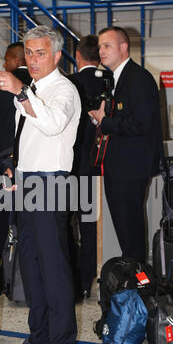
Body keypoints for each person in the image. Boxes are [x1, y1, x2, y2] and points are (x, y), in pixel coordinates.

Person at [0, 25, 81, 344]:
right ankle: (41, 337)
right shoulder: (32, 89)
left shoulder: (64, 89)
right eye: (28, 52)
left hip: (52, 183)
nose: (32, 59)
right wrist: (17, 169)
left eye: (40, 52)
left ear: (57, 56)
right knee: (30, 263)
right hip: (29, 181)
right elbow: (29, 137)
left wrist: (21, 94)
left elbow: (53, 125)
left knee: (54, 267)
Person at [89, 27, 164, 263]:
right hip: (119, 166)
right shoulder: (116, 79)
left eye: (107, 46)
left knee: (130, 229)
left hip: (131, 167)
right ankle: (132, 275)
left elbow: (141, 124)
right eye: (100, 46)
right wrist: (100, 119)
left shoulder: (138, 78)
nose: (101, 51)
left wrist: (106, 122)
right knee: (125, 228)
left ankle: (138, 281)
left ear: (123, 48)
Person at [0, 42, 31, 258]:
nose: (4, 63)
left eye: (7, 58)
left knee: (0, 210)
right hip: (30, 156)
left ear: (17, 59)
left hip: (3, 155)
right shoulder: (38, 81)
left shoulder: (0, 83)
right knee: (29, 211)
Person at [68, 35, 103, 300]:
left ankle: (70, 278)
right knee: (88, 225)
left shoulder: (70, 83)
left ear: (77, 56)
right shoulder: (107, 82)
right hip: (94, 165)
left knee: (65, 224)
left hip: (69, 165)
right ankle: (87, 279)